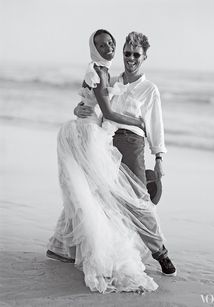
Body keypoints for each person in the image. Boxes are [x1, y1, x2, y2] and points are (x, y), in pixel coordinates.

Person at [47, 29, 174, 294]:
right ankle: (64, 246)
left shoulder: (150, 90)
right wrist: (78, 109)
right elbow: (96, 103)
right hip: (108, 142)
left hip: (134, 144)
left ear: (144, 57)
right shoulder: (113, 79)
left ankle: (160, 252)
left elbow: (155, 125)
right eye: (127, 53)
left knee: (138, 200)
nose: (130, 58)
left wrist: (159, 156)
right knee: (97, 196)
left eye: (135, 54)